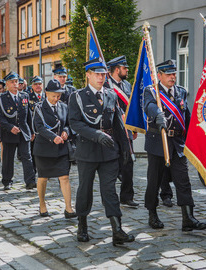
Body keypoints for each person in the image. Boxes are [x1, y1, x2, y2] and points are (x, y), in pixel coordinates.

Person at [69, 57, 134, 246]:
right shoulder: (77, 96)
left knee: (110, 190)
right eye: (97, 74)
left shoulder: (111, 94)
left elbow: (118, 124)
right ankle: (82, 225)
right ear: (88, 75)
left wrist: (125, 150)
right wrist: (96, 135)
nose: (101, 77)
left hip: (108, 152)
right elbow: (75, 123)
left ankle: (117, 230)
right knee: (85, 190)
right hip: (88, 151)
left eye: (103, 74)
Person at [143, 59, 206, 232]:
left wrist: (196, 136)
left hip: (178, 143)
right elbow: (149, 106)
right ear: (159, 76)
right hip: (158, 141)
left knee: (183, 181)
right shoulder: (151, 91)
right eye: (168, 74)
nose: (172, 77)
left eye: (174, 73)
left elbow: (186, 116)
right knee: (154, 181)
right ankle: (152, 213)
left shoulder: (181, 91)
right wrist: (158, 115)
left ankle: (188, 218)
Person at [33, 79, 76, 218]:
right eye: (53, 96)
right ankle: (42, 204)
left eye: (58, 96)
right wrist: (53, 137)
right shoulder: (39, 107)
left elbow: (69, 124)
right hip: (44, 148)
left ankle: (69, 208)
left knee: (64, 177)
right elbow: (39, 127)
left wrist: (66, 132)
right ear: (46, 93)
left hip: (61, 148)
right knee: (43, 178)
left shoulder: (64, 106)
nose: (56, 99)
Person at [0, 72, 36, 190]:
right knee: (8, 158)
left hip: (23, 131)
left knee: (27, 156)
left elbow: (28, 115)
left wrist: (31, 131)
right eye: (12, 82)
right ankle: (7, 181)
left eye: (16, 82)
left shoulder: (24, 96)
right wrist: (9, 127)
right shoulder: (1, 98)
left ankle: (30, 181)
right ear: (7, 84)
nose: (15, 84)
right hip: (9, 132)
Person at [106, 55, 139, 208]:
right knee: (112, 165)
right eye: (124, 68)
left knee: (128, 163)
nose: (127, 70)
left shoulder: (126, 85)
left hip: (126, 131)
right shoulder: (106, 85)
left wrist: (133, 127)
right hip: (112, 132)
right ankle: (110, 197)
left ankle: (126, 196)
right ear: (117, 69)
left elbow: (131, 107)